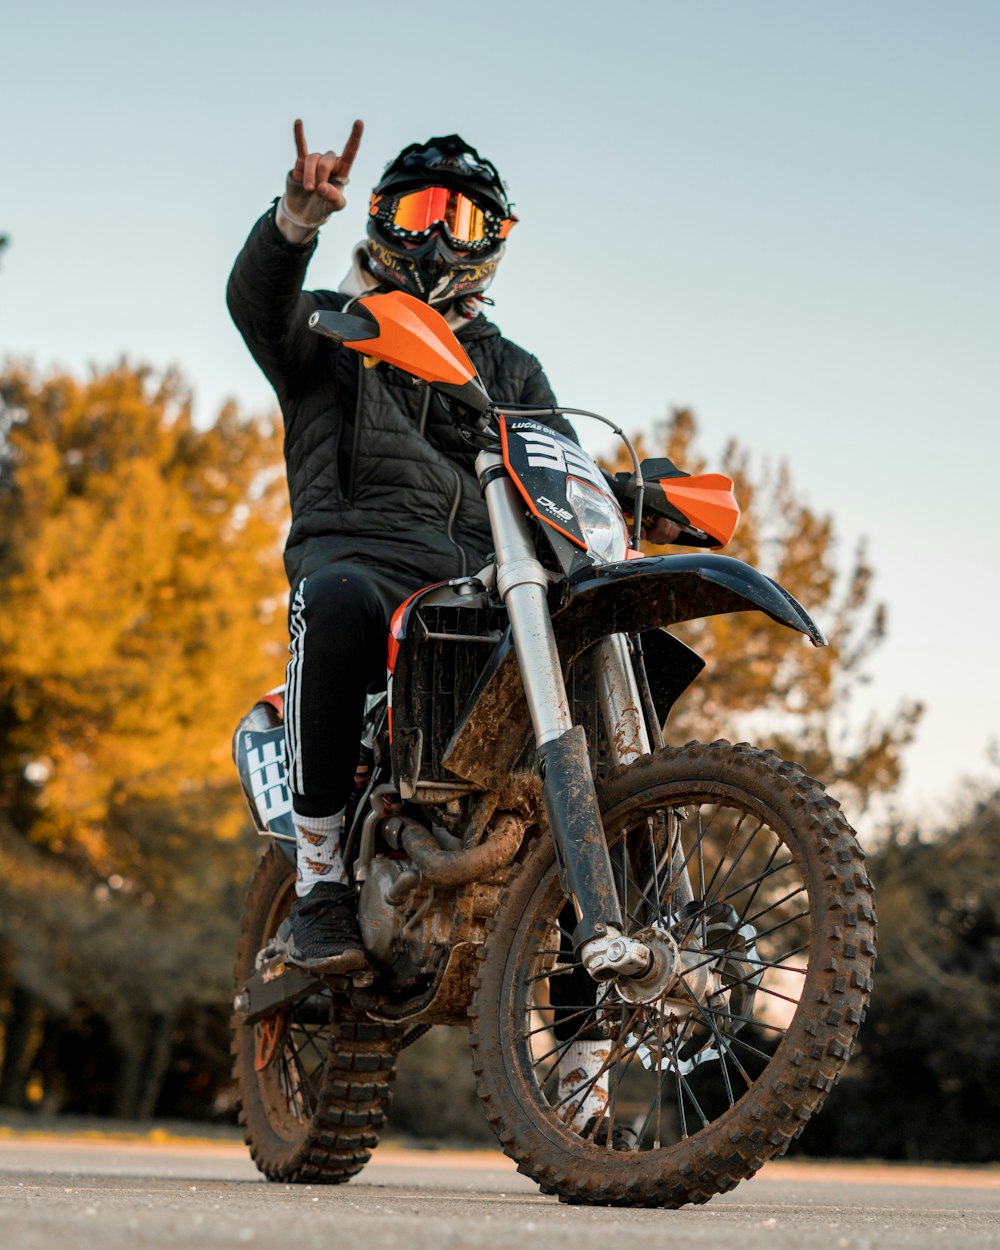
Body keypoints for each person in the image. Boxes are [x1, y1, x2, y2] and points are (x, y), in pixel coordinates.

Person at [227, 119, 578, 973]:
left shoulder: (513, 368)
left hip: (485, 579)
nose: (435, 235)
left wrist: (645, 497)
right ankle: (318, 883)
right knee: (337, 597)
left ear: (492, 242)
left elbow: (561, 465)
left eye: (460, 220)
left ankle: (584, 1009)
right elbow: (257, 311)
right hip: (361, 558)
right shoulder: (332, 326)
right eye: (420, 210)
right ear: (382, 217)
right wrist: (293, 225)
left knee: (596, 669)